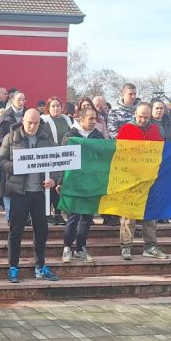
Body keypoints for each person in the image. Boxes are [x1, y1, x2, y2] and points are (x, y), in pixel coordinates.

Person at [1, 108, 60, 283]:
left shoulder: (46, 138)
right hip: (19, 192)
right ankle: (13, 267)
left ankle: (40, 266)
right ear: (23, 121)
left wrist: (53, 180)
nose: (32, 126)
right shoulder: (11, 137)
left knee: (41, 231)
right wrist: (18, 167)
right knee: (16, 231)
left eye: (36, 123)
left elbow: (57, 162)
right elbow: (1, 160)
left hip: (41, 193)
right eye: (29, 122)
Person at [116, 103, 170, 260]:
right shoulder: (125, 129)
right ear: (135, 114)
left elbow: (160, 151)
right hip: (130, 179)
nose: (143, 120)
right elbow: (118, 153)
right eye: (140, 116)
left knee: (150, 214)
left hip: (149, 178)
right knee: (128, 215)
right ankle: (126, 247)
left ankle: (151, 246)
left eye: (146, 117)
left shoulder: (154, 129)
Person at [61, 107, 103, 263]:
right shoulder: (70, 135)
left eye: (95, 119)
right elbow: (62, 159)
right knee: (73, 216)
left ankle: (80, 248)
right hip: (73, 182)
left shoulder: (98, 136)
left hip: (91, 182)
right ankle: (67, 248)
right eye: (90, 118)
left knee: (87, 217)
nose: (93, 122)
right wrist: (60, 181)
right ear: (80, 119)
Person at [41, 97, 73, 225]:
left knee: (60, 184)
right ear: (48, 107)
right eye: (53, 106)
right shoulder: (44, 121)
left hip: (65, 156)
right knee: (50, 184)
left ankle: (58, 213)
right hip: (51, 155)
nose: (56, 108)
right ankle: (47, 213)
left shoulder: (67, 120)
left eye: (58, 105)